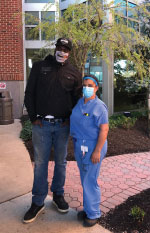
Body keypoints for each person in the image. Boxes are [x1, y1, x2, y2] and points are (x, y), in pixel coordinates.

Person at [23, 38, 82, 223]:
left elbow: (77, 100)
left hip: (62, 126)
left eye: (65, 49)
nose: (62, 51)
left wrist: (70, 120)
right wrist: (33, 117)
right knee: (40, 164)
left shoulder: (74, 73)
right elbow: (29, 94)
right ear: (55, 48)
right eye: (59, 47)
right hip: (42, 126)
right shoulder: (40, 67)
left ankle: (58, 195)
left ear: (69, 53)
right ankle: (38, 201)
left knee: (61, 163)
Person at [70, 74, 109, 227]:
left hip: (94, 147)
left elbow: (104, 130)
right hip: (80, 146)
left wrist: (97, 151)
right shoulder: (80, 102)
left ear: (96, 88)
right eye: (85, 85)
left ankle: (94, 213)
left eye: (90, 85)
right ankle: (87, 209)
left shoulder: (99, 106)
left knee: (90, 180)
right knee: (84, 179)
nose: (87, 88)